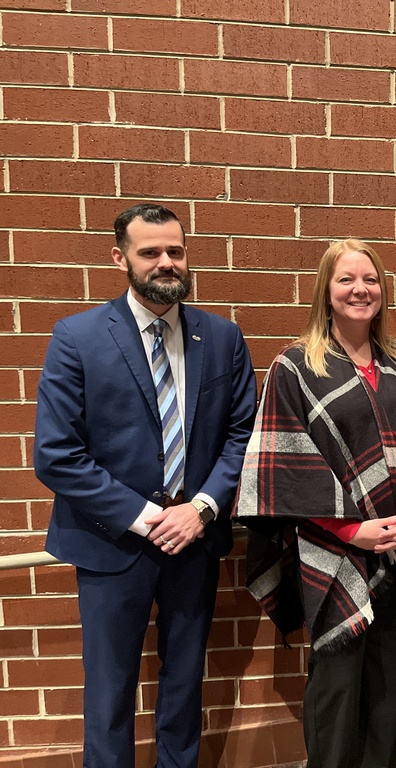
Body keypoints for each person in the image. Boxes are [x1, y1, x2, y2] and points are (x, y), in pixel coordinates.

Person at [33, 203, 257, 767]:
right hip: (112, 543)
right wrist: (144, 515)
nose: (165, 263)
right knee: (108, 693)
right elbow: (56, 454)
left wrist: (203, 508)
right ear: (120, 257)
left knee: (184, 685)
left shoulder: (223, 338)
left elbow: (241, 436)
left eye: (175, 251)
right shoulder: (77, 337)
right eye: (150, 252)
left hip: (194, 541)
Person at [233, 239, 396, 768]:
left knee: (390, 681)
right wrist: (353, 531)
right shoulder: (296, 367)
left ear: (383, 290)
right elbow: (282, 467)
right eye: (346, 279)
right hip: (335, 551)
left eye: (369, 279)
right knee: (338, 686)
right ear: (326, 290)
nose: (360, 289)